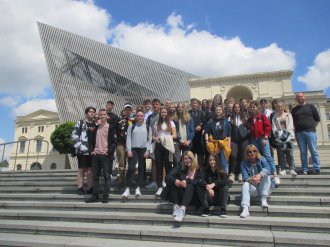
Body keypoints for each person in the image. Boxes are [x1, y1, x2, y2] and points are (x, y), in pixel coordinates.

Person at [165, 151, 207, 222]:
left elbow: (202, 183)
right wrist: (176, 181)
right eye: (185, 159)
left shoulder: (199, 169)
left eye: (189, 158)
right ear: (183, 160)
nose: (187, 160)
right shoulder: (181, 167)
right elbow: (168, 176)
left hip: (194, 197)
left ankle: (182, 210)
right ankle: (176, 207)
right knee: (174, 182)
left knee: (190, 185)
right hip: (182, 196)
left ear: (193, 159)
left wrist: (187, 181)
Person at [86, 109, 117, 203]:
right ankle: (94, 196)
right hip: (96, 155)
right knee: (95, 176)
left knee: (107, 176)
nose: (102, 116)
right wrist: (92, 151)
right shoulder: (96, 128)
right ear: (98, 116)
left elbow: (114, 143)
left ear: (107, 116)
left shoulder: (111, 128)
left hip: (105, 155)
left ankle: (105, 196)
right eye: (101, 115)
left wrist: (108, 152)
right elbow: (91, 142)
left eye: (104, 114)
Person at [248, 101, 280, 185]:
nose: (252, 108)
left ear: (257, 107)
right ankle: (261, 174)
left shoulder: (262, 116)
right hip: (254, 139)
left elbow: (268, 127)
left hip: (262, 138)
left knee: (267, 156)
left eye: (253, 107)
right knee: (257, 157)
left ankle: (275, 175)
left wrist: (265, 138)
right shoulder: (250, 118)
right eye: (251, 107)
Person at [122, 110, 152, 198]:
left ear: (143, 117)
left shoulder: (147, 127)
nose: (140, 117)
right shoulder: (132, 126)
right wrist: (129, 150)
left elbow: (149, 140)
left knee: (141, 168)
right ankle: (127, 188)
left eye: (141, 116)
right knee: (131, 168)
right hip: (133, 149)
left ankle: (138, 187)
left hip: (143, 149)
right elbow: (128, 138)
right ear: (136, 117)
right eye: (138, 116)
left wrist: (148, 150)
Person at [291, 93, 321, 175]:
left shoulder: (311, 107)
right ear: (296, 99)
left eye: (301, 96)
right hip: (299, 133)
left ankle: (317, 168)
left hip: (310, 132)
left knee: (313, 151)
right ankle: (304, 169)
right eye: (298, 97)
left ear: (304, 97)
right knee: (303, 152)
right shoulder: (294, 110)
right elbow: (292, 122)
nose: (300, 98)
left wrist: (311, 127)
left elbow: (317, 119)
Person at [240, 145, 272, 218]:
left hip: (264, 187)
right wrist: (252, 180)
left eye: (254, 151)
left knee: (267, 175)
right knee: (245, 184)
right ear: (247, 154)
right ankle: (245, 209)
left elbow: (268, 168)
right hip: (254, 188)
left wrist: (259, 175)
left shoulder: (262, 159)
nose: (252, 153)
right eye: (250, 152)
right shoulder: (243, 163)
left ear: (257, 151)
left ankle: (263, 199)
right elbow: (245, 177)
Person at [71, 106, 96, 195]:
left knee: (90, 170)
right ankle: (80, 188)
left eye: (93, 112)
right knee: (81, 169)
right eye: (90, 112)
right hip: (82, 151)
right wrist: (80, 147)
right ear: (86, 113)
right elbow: (74, 135)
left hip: (92, 151)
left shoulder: (95, 124)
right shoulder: (80, 123)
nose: (92, 113)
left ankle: (90, 188)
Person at [153, 107, 177, 196]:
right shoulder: (156, 123)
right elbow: (154, 136)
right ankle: (159, 186)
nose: (163, 114)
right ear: (160, 113)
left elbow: (174, 135)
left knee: (168, 166)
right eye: (162, 112)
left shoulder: (171, 123)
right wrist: (156, 139)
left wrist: (164, 138)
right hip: (158, 145)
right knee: (159, 166)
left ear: (167, 113)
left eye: (165, 112)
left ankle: (168, 185)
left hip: (167, 145)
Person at [271, 100, 297, 176]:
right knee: (281, 154)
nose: (279, 108)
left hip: (288, 137)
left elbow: (290, 126)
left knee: (289, 153)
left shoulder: (288, 115)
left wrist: (285, 135)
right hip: (279, 137)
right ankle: (283, 169)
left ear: (283, 107)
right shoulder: (275, 117)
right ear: (276, 108)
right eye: (278, 107)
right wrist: (278, 134)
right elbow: (274, 128)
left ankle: (292, 168)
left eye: (281, 107)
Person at [204, 105, 231, 174]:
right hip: (214, 145)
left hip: (223, 144)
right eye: (216, 110)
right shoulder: (211, 121)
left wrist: (229, 144)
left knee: (223, 162)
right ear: (215, 112)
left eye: (219, 110)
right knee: (214, 162)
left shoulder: (226, 122)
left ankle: (225, 179)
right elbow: (206, 132)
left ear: (222, 111)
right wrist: (207, 142)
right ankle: (215, 177)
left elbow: (229, 135)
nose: (218, 111)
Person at [203, 153, 229, 217]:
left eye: (214, 160)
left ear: (217, 160)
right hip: (211, 198)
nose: (212, 162)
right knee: (200, 187)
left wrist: (214, 184)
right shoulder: (206, 172)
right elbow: (202, 181)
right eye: (210, 160)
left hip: (221, 197)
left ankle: (223, 209)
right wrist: (208, 188)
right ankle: (206, 209)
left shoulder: (222, 171)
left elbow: (225, 181)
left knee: (225, 187)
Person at [228, 103, 249, 182]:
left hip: (243, 139)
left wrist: (246, 133)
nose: (237, 108)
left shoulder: (244, 117)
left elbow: (249, 127)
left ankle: (240, 173)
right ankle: (232, 173)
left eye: (238, 107)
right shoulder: (230, 118)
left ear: (240, 108)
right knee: (233, 155)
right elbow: (229, 130)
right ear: (233, 109)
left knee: (242, 155)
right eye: (235, 107)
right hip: (234, 140)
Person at [145, 98, 162, 189]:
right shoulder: (149, 117)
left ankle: (163, 181)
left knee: (163, 162)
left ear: (159, 105)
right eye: (154, 104)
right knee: (154, 162)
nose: (155, 106)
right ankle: (154, 182)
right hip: (152, 142)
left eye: (157, 104)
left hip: (162, 142)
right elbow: (147, 129)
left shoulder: (163, 115)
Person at [116, 103, 133, 185]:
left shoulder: (133, 119)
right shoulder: (119, 119)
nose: (128, 111)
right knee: (122, 162)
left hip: (131, 143)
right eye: (126, 109)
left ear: (131, 111)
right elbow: (114, 129)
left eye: (129, 109)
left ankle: (130, 179)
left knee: (131, 162)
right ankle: (121, 179)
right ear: (124, 110)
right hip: (120, 143)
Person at [189, 98, 205, 167]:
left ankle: (200, 169)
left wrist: (200, 126)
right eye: (192, 103)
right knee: (191, 154)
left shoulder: (201, 113)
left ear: (198, 104)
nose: (194, 105)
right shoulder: (188, 113)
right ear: (190, 105)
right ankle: (191, 169)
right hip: (191, 137)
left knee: (200, 154)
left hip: (199, 136)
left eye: (195, 103)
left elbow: (204, 122)